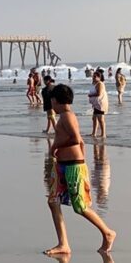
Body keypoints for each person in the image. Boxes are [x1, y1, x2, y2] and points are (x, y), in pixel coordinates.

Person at [44, 84, 115, 255]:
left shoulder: (68, 116)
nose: (50, 104)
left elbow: (76, 139)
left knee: (80, 207)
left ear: (55, 100)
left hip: (73, 166)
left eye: (51, 100)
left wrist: (55, 146)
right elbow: (81, 142)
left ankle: (107, 232)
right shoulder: (64, 116)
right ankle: (63, 244)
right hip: (63, 165)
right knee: (53, 202)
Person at [88, 71, 109, 138]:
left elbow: (99, 93)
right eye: (93, 76)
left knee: (101, 119)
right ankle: (94, 133)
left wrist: (90, 95)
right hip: (96, 104)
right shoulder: (94, 83)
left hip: (100, 104)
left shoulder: (100, 84)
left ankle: (103, 134)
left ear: (99, 77)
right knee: (94, 118)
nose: (93, 78)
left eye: (95, 77)